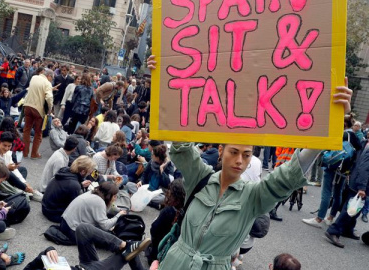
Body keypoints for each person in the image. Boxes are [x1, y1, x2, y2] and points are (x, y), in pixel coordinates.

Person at [146, 55, 353, 270]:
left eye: (247, 155)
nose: (239, 160)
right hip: (174, 263)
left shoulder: (253, 196)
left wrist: (330, 125)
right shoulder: (200, 176)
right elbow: (180, 145)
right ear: (220, 151)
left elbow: (288, 177)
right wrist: (162, 82)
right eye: (234, 152)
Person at [302, 114, 363, 228]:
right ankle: (330, 217)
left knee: (326, 192)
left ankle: (319, 218)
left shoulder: (341, 134)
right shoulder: (354, 136)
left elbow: (328, 149)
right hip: (345, 170)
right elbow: (358, 151)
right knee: (337, 193)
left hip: (332, 167)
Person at [325, 139, 369, 248]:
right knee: (350, 209)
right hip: (360, 184)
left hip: (357, 181)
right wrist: (362, 187)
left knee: (356, 208)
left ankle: (347, 229)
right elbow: (364, 168)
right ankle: (333, 231)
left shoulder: (364, 143)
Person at [58, 181, 126, 244]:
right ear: (108, 196)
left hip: (66, 223)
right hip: (72, 230)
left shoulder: (94, 193)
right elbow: (105, 226)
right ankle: (121, 245)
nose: (116, 198)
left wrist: (117, 210)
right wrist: (119, 215)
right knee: (107, 235)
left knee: (105, 228)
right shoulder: (99, 202)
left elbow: (107, 208)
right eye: (114, 196)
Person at [0, 132, 41, 201]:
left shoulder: (8, 152)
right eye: (4, 145)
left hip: (3, 178)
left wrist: (25, 182)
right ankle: (24, 189)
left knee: (22, 170)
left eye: (9, 146)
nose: (6, 148)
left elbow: (14, 169)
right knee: (8, 172)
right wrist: (6, 168)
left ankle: (21, 188)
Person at [42, 155, 95, 223]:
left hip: (46, 207)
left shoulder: (65, 170)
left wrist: (80, 185)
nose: (89, 174)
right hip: (54, 214)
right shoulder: (74, 185)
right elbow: (73, 207)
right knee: (87, 218)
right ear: (83, 171)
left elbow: (66, 188)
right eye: (89, 173)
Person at [146, 179, 185, 265]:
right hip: (174, 256)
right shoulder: (186, 213)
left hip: (159, 252)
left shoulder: (168, 211)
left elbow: (154, 230)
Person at [23, 68, 54, 159]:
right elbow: (49, 97)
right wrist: (50, 108)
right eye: (52, 78)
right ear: (49, 76)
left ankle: (25, 152)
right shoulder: (47, 83)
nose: (52, 80)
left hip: (28, 105)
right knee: (38, 132)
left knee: (26, 130)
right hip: (38, 109)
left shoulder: (34, 78)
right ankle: (34, 154)